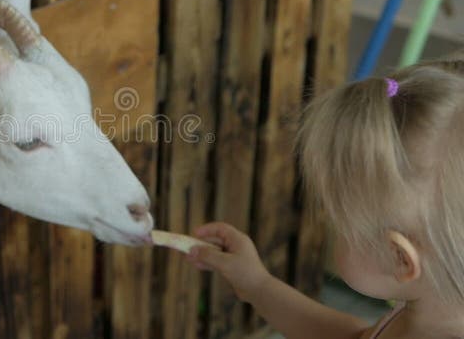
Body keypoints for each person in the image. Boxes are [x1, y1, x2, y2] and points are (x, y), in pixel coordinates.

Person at [188, 57, 464, 338]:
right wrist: (256, 285)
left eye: (340, 225)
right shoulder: (424, 314)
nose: (329, 226)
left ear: (400, 259)